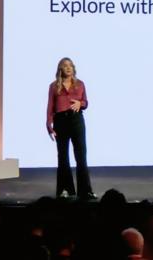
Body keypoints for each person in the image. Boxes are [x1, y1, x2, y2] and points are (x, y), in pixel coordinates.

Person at [45, 57, 96, 200]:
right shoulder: (54, 86)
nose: (68, 68)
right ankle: (65, 190)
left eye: (70, 66)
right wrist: (49, 125)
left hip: (76, 120)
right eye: (65, 66)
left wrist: (81, 103)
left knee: (81, 155)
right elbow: (50, 108)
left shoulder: (80, 84)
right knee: (63, 157)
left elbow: (86, 101)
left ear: (73, 68)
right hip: (60, 121)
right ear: (60, 69)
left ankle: (85, 190)